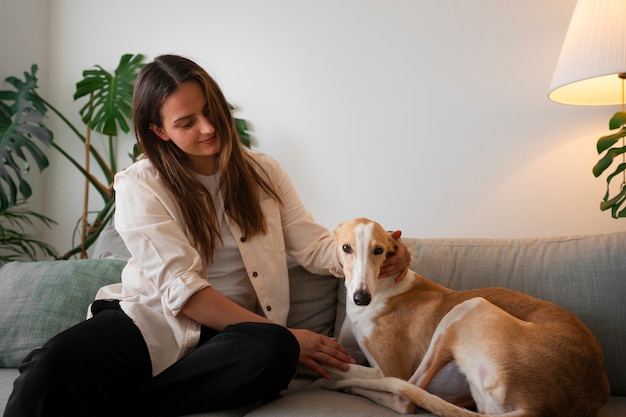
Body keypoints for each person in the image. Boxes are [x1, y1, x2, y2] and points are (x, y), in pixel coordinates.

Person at [3, 54, 410, 417]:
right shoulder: (139, 184)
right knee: (50, 367)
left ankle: (118, 403)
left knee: (273, 352)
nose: (210, 127)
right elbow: (185, 292)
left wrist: (375, 254)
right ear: (159, 131)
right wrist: (287, 334)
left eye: (210, 110)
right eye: (186, 122)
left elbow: (316, 247)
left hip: (237, 336)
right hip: (149, 322)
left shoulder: (263, 173)